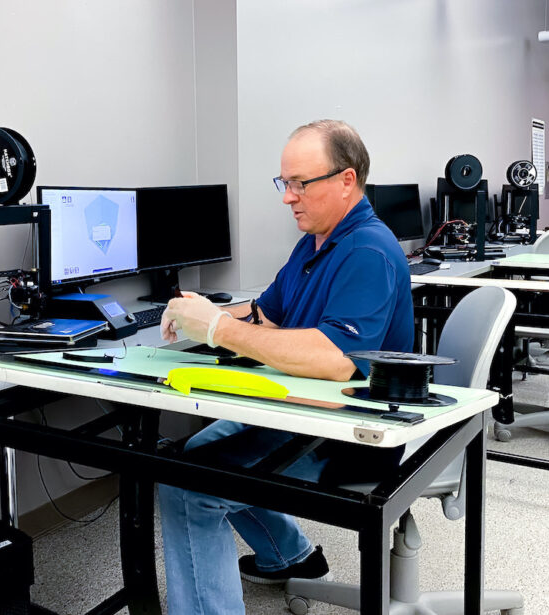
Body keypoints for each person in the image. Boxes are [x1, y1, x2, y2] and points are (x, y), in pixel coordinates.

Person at [157, 119, 414, 614]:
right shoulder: (314, 242)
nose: (288, 196)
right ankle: (291, 557)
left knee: (187, 486)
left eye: (301, 183)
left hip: (349, 433)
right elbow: (267, 314)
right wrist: (198, 314)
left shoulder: (368, 250)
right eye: (285, 183)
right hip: (301, 408)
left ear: (346, 181)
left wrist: (218, 331)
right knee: (196, 450)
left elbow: (338, 361)